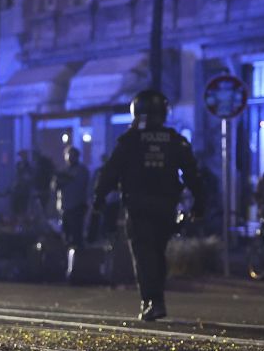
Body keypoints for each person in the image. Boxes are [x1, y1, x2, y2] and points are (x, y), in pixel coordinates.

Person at [91, 90, 204, 321]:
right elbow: (193, 174)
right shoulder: (175, 140)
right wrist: (200, 203)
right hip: (166, 206)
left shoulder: (129, 141)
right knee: (158, 252)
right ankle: (157, 298)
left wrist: (99, 198)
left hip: (138, 206)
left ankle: (151, 300)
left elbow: (110, 171)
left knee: (143, 254)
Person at [55, 147, 90, 247]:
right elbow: (55, 186)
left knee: (76, 235)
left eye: (72, 155)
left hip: (77, 206)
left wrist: (66, 179)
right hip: (65, 207)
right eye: (68, 155)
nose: (69, 157)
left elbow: (80, 184)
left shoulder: (82, 170)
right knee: (65, 235)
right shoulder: (63, 170)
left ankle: (79, 258)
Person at [11, 150, 32, 219]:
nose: (22, 157)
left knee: (24, 206)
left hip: (25, 189)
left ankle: (24, 219)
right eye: (21, 156)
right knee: (16, 205)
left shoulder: (28, 166)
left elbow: (28, 177)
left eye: (23, 156)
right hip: (18, 189)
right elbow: (16, 175)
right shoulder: (18, 164)